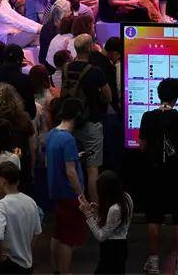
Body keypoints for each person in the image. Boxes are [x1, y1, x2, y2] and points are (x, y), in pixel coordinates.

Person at [139, 78, 178, 275]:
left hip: (154, 173)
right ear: (177, 96)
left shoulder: (147, 117)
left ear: (158, 94)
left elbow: (142, 145)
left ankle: (153, 262)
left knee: (154, 218)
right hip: (177, 174)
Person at [61, 33, 112, 201]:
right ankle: (95, 206)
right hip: (91, 123)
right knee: (92, 169)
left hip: (70, 123)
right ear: (90, 48)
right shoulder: (95, 71)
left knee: (73, 166)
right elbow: (108, 96)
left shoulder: (66, 68)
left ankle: (77, 205)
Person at [45, 98, 88, 274]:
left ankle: (56, 269)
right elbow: (71, 172)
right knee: (68, 239)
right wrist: (81, 196)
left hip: (56, 192)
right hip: (69, 195)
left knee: (58, 233)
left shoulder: (52, 134)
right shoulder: (69, 140)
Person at [0, 160, 42, 274]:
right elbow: (37, 232)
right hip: (27, 263)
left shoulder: (0, 206)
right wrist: (27, 250)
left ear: (3, 180)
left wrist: (1, 259)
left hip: (9, 265)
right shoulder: (31, 202)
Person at [80, 170, 133, 274]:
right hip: (121, 247)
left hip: (111, 250)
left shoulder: (115, 209)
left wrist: (88, 214)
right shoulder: (126, 198)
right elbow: (112, 223)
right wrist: (97, 211)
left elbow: (101, 236)